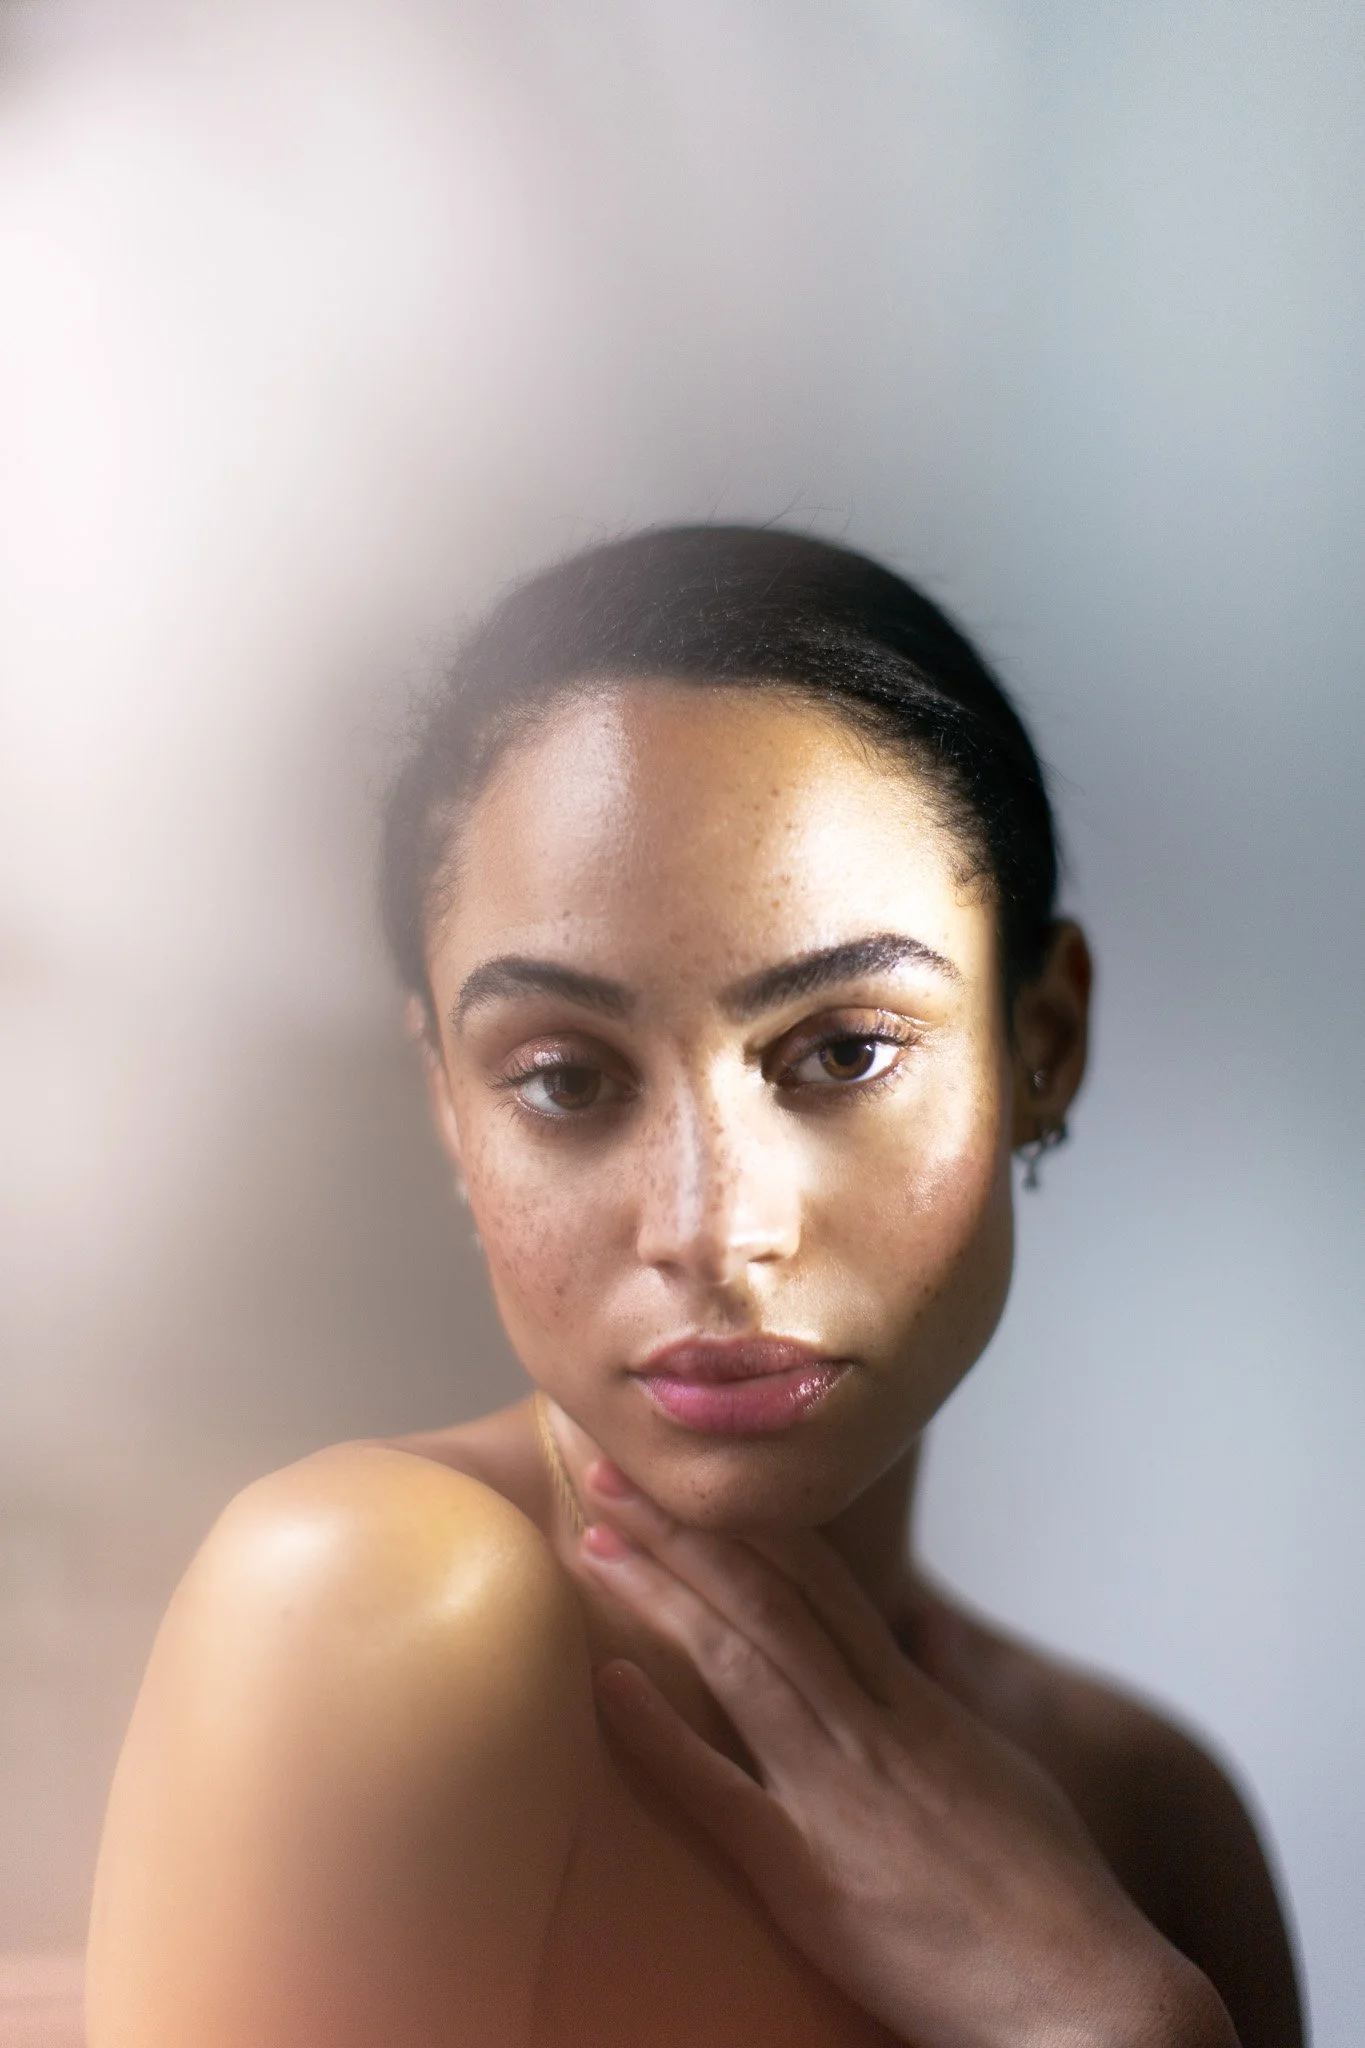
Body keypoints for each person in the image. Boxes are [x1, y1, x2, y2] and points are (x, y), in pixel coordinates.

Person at [86, 527, 1303, 2048]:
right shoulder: (379, 1606)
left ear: (1040, 1043)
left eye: (843, 1052)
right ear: (449, 1108)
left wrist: (1123, 2018)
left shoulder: (1151, 1813)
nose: (713, 1229)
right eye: (569, 1080)